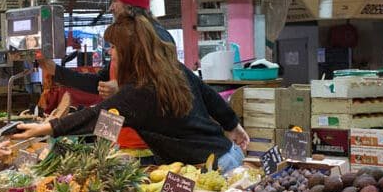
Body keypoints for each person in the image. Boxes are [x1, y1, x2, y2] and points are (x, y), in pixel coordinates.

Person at [15, 14, 249, 169]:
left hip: (211, 168)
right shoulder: (169, 68)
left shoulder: (138, 91)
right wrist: (233, 125)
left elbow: (95, 114)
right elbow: (208, 93)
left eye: (115, 47)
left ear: (129, 52)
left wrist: (44, 128)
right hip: (227, 154)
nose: (111, 53)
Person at [40, 0, 174, 162]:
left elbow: (164, 88)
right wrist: (56, 71)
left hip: (148, 143)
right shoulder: (124, 37)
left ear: (129, 4)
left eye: (115, 1)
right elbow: (99, 81)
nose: (111, 7)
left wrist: (122, 90)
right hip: (120, 135)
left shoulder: (158, 37)